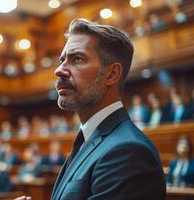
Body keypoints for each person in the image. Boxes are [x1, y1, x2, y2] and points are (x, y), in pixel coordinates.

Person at [18, 19, 165, 200]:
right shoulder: (89, 140)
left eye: (77, 59)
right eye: (62, 60)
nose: (59, 70)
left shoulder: (128, 151)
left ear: (111, 74)